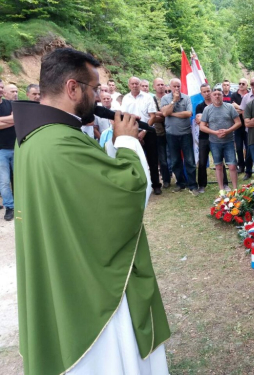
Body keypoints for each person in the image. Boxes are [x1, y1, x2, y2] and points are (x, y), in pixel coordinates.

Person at [13, 48, 170, 375]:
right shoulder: (61, 143)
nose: (98, 96)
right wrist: (127, 142)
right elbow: (126, 194)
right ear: (73, 88)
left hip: (63, 259)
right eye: (94, 89)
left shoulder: (31, 137)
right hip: (87, 280)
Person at [121, 76, 162, 195]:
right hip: (131, 131)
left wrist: (143, 131)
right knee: (134, 159)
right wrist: (132, 132)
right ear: (129, 85)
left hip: (148, 131)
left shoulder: (147, 97)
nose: (134, 85)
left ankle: (156, 185)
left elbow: (153, 116)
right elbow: (124, 115)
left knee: (152, 159)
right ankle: (137, 185)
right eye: (132, 84)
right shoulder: (126, 98)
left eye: (136, 83)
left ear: (140, 85)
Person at [161, 78, 199, 195]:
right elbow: (164, 113)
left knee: (189, 160)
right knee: (175, 160)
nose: (177, 88)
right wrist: (173, 101)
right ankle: (180, 183)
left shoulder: (186, 98)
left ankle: (193, 185)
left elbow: (188, 114)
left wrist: (171, 113)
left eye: (178, 86)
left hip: (185, 134)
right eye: (174, 86)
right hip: (171, 134)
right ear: (170, 87)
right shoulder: (165, 98)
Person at [200, 88, 241, 191]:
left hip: (229, 141)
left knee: (232, 166)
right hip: (214, 142)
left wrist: (227, 131)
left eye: (219, 94)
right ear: (211, 96)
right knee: (218, 166)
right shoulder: (207, 109)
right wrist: (215, 133)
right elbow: (202, 126)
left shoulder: (230, 107)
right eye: (215, 94)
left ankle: (235, 189)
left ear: (222, 96)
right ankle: (221, 189)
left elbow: (238, 122)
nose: (217, 96)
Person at [195, 84, 229, 193]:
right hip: (204, 138)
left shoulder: (218, 105)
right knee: (202, 161)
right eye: (204, 92)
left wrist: (208, 122)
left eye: (208, 91)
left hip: (216, 137)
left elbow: (219, 120)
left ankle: (225, 183)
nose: (206, 93)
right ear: (201, 93)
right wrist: (212, 123)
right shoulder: (200, 106)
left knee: (219, 161)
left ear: (211, 91)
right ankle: (202, 185)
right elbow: (199, 120)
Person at [151, 78, 171, 189]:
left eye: (162, 84)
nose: (161, 86)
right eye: (158, 84)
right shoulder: (151, 100)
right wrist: (164, 114)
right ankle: (166, 180)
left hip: (171, 131)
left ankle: (179, 179)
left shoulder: (169, 98)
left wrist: (161, 114)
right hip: (158, 133)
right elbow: (152, 115)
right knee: (162, 159)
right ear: (154, 86)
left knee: (174, 157)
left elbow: (171, 112)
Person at [231, 78, 252, 178]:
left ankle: (248, 168)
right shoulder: (234, 95)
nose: (241, 85)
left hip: (249, 125)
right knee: (238, 148)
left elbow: (248, 109)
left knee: (248, 148)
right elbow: (233, 110)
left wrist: (239, 107)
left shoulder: (250, 95)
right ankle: (241, 166)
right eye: (239, 83)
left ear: (247, 85)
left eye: (243, 83)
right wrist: (243, 109)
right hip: (238, 126)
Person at [0, 79, 15, 221]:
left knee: (19, 178)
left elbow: (16, 119)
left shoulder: (9, 104)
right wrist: (9, 120)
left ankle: (22, 203)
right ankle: (9, 206)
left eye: (2, 87)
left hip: (16, 147)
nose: (1, 89)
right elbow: (12, 120)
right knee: (4, 181)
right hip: (1, 151)